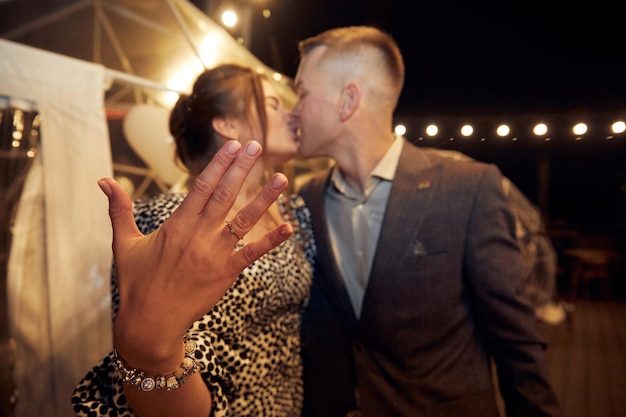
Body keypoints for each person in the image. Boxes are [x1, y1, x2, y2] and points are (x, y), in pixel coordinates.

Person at [290, 26, 561, 417]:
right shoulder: (308, 197)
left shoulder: (467, 189)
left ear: (348, 100)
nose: (293, 109)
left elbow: (516, 343)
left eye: (302, 92)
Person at [71, 64, 315, 417]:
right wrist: (150, 351)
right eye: (274, 103)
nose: (291, 114)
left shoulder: (294, 212)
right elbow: (155, 364)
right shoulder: (168, 223)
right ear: (227, 124)